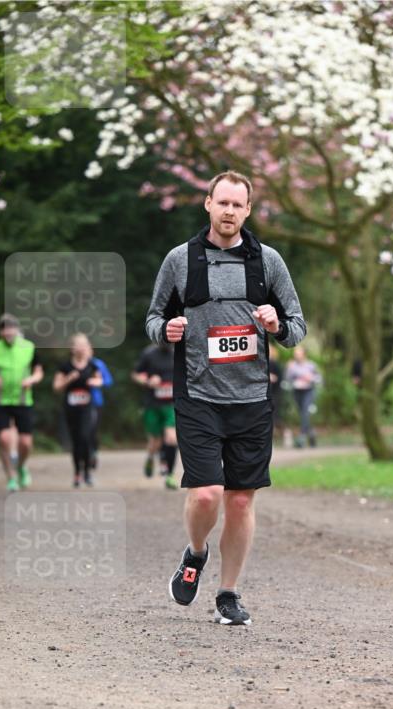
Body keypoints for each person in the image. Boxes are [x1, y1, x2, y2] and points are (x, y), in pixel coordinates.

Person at [146, 170, 306, 625]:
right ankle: (195, 554)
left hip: (253, 398)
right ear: (208, 204)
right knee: (206, 496)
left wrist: (276, 326)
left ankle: (229, 594)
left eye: (239, 205)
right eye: (223, 203)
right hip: (198, 394)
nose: (230, 211)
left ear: (248, 210)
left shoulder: (267, 262)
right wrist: (167, 330)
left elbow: (297, 328)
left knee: (240, 500)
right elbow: (154, 318)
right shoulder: (181, 260)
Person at [0, 313, 43, 491]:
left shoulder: (29, 347)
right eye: (4, 329)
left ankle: (21, 466)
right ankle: (11, 477)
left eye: (11, 328)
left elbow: (38, 371)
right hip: (0, 401)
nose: (8, 332)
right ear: (0, 332)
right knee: (5, 439)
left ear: (17, 329)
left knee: (26, 443)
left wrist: (32, 380)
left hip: (23, 400)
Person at [53, 333, 102, 487]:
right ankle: (77, 473)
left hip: (87, 407)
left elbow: (100, 380)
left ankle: (87, 472)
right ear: (72, 348)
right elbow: (56, 387)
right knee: (76, 441)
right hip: (71, 408)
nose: (81, 348)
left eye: (83, 344)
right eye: (78, 345)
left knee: (86, 437)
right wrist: (69, 379)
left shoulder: (92, 365)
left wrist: (94, 382)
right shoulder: (65, 367)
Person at [131, 341, 179, 489]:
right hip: (153, 403)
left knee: (171, 438)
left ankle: (170, 475)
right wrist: (147, 381)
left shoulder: (178, 352)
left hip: (171, 404)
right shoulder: (149, 353)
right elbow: (135, 374)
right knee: (155, 442)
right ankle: (151, 457)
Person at [285, 345, 321, 447]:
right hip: (297, 391)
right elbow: (288, 379)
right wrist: (288, 369)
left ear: (304, 354)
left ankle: (302, 436)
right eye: (295, 353)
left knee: (305, 412)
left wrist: (311, 378)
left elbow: (319, 378)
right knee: (302, 414)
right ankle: (312, 434)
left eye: (298, 353)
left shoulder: (311, 365)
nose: (296, 355)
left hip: (308, 391)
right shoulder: (292, 366)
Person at [88, 348, 114, 471]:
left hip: (95, 403)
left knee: (92, 430)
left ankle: (93, 453)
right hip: (77, 404)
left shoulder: (98, 364)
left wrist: (99, 381)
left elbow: (109, 381)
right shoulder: (72, 364)